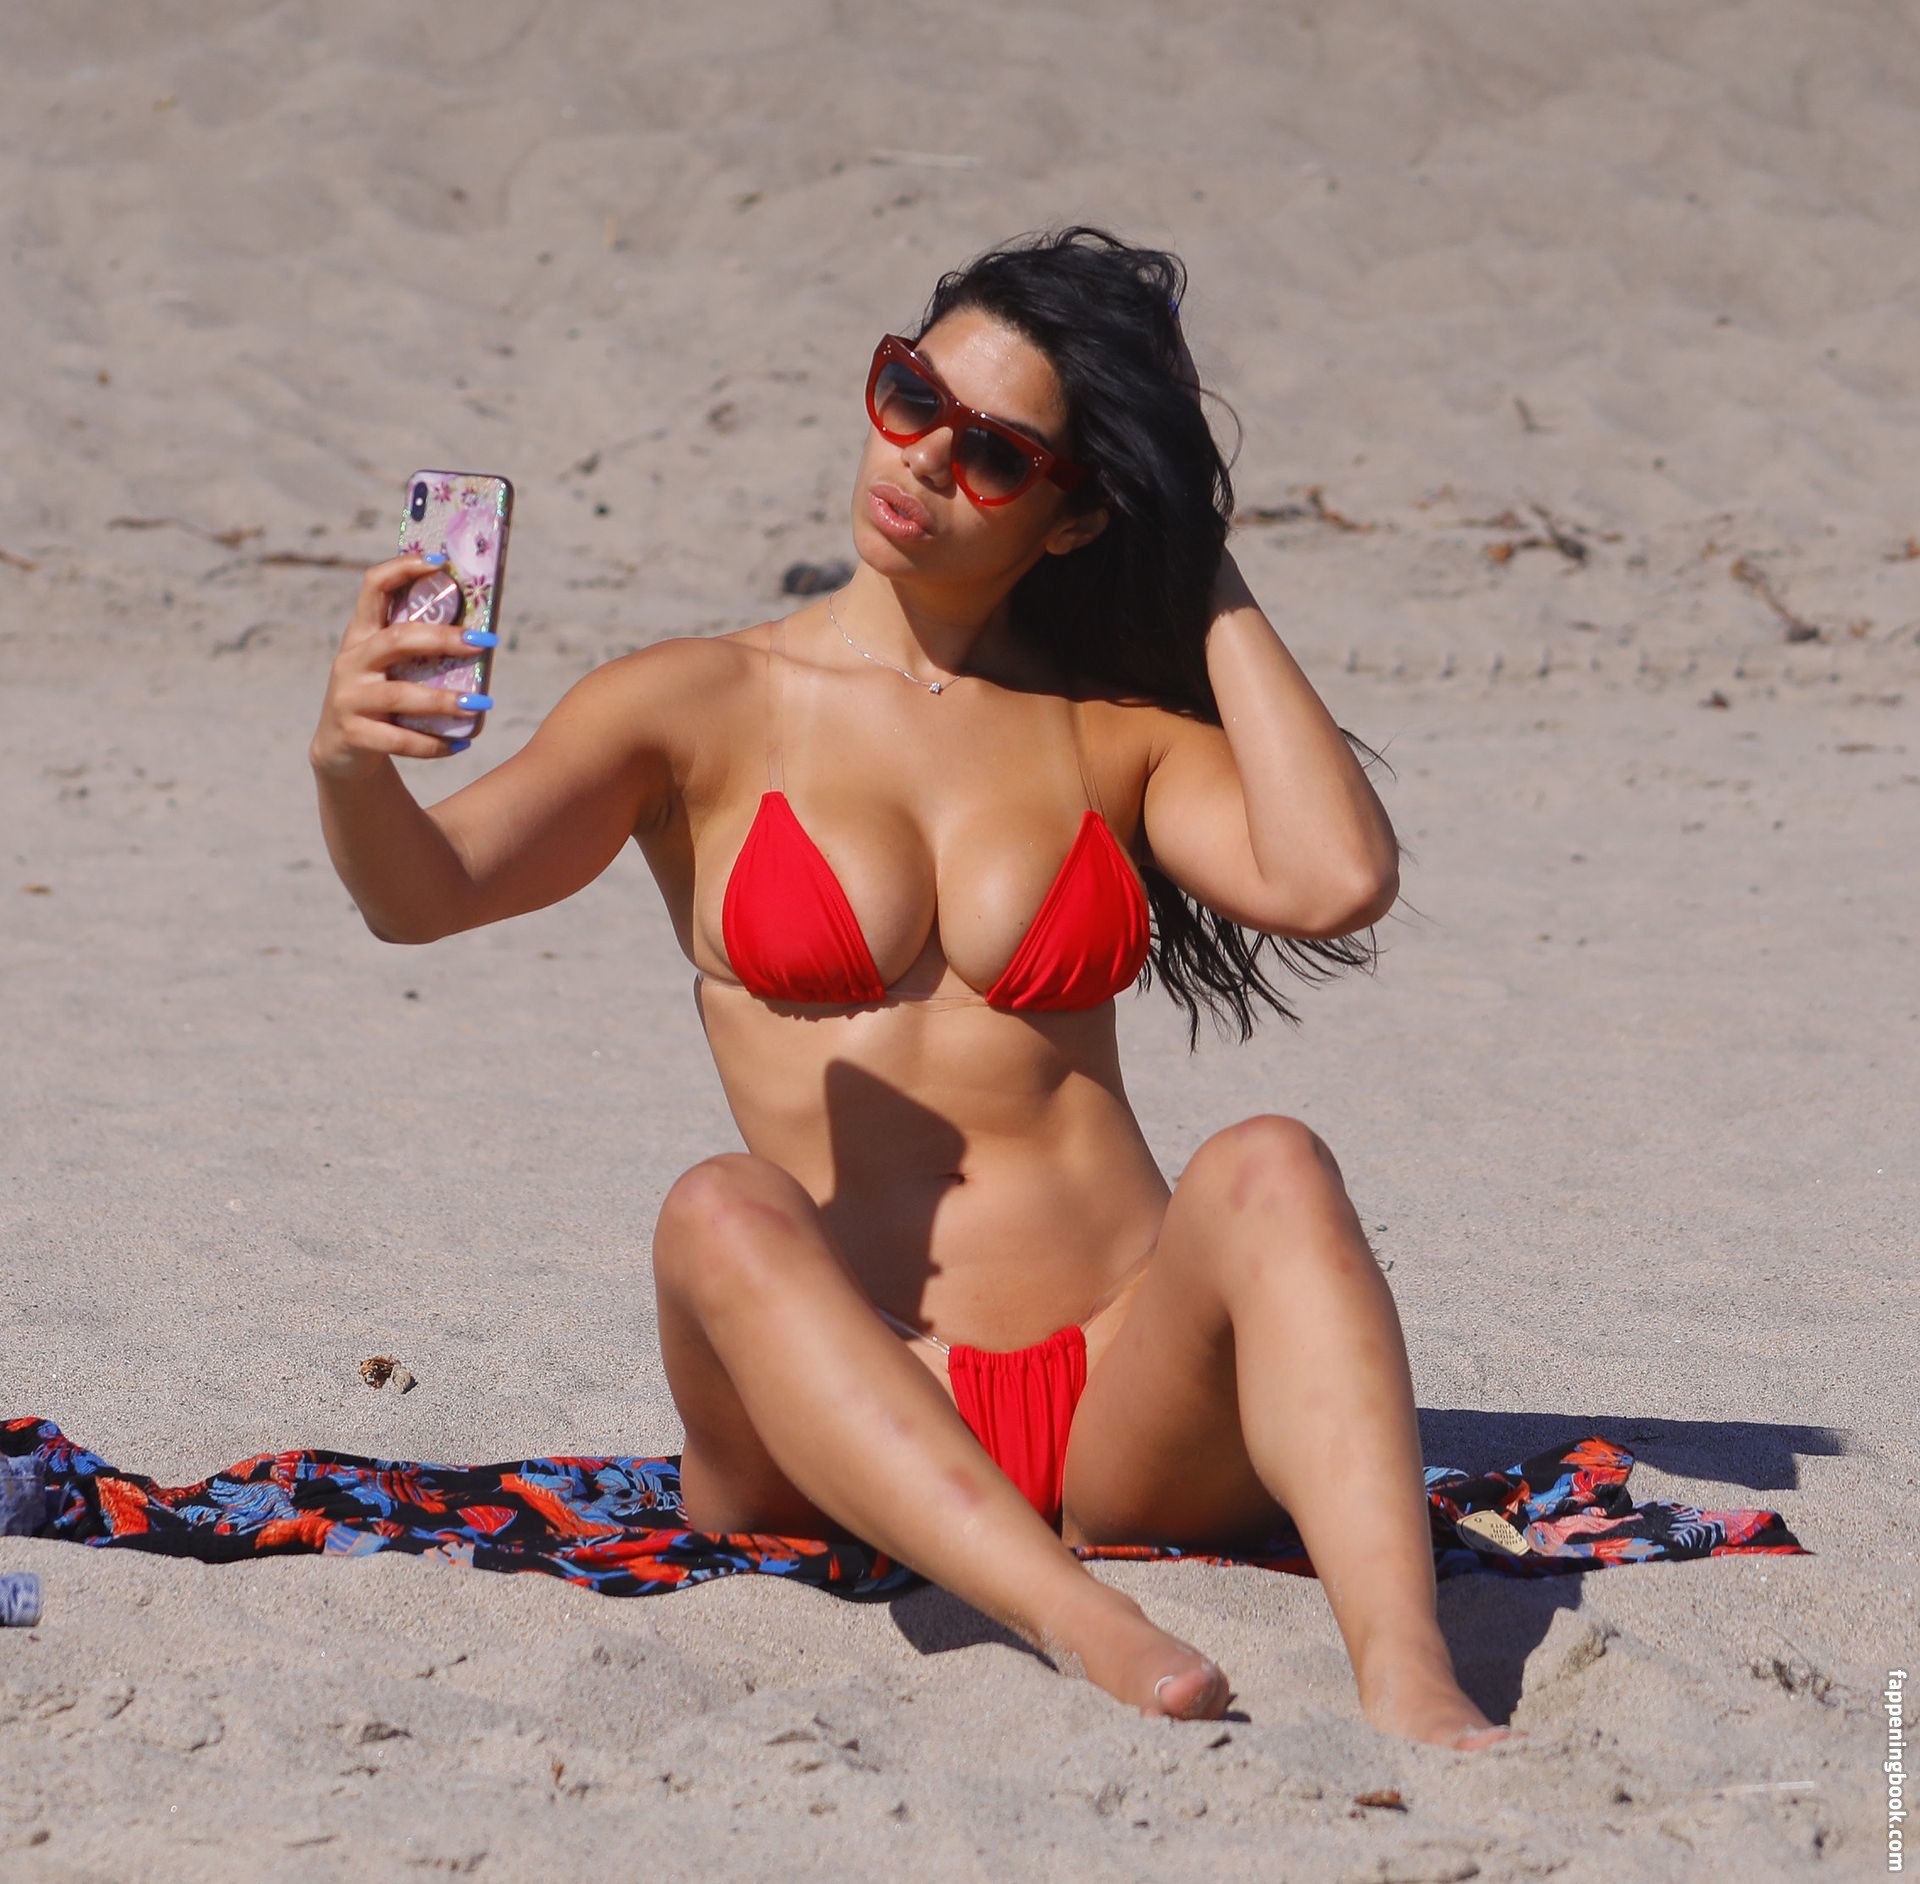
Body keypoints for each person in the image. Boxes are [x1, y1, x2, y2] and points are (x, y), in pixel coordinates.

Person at [309, 224, 1517, 1749]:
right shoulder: (697, 703)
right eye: (911, 394)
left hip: (1127, 1399)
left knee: (1274, 1161)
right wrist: (350, 763)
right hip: (842, 1410)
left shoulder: (1108, 732)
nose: (928, 457)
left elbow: (1338, 876)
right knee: (717, 1207)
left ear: (1074, 518)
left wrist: (1199, 559)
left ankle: (1407, 1665)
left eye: (999, 454)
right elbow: (422, 896)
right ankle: (1085, 1622)